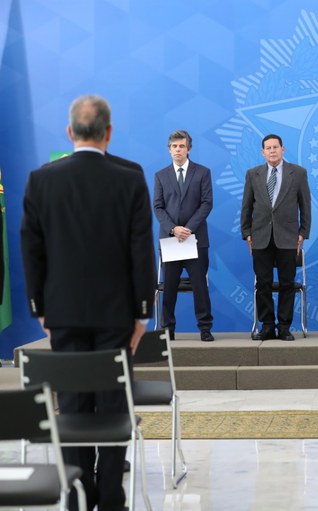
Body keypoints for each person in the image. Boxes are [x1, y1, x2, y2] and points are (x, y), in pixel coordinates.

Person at [20, 94, 155, 511]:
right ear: (108, 133)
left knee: (72, 407)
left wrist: (40, 308)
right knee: (114, 406)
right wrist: (142, 314)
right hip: (117, 315)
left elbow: (32, 251)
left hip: (62, 313)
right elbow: (141, 252)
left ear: (69, 132)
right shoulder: (130, 178)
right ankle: (111, 495)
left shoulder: (40, 180)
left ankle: (77, 496)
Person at [241, 134, 311, 341]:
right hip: (260, 237)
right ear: (263, 152)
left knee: (287, 283)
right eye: (268, 148)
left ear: (283, 149)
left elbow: (305, 205)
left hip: (288, 237)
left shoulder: (298, 173)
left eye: (275, 147)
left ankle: (284, 327)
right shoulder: (253, 174)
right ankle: (267, 326)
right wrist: (246, 233)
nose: (272, 151)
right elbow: (246, 206)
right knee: (263, 284)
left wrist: (303, 232)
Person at [153, 130, 214, 342]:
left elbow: (207, 203)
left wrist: (187, 229)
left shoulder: (203, 172)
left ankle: (205, 328)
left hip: (195, 240)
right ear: (169, 149)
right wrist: (173, 229)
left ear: (189, 148)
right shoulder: (161, 175)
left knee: (200, 286)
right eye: (174, 146)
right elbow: (158, 207)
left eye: (181, 146)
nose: (178, 150)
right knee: (169, 288)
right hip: (171, 240)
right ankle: (167, 330)